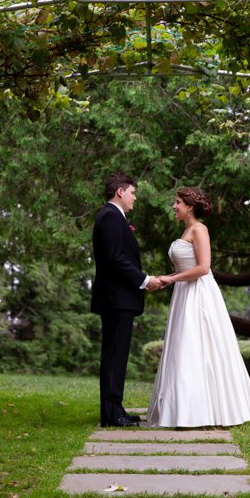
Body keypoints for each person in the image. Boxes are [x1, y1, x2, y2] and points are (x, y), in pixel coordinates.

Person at [147, 187, 250, 428]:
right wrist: (166, 280)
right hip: (184, 293)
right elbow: (186, 268)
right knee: (183, 347)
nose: (174, 206)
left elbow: (203, 268)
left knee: (196, 346)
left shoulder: (200, 229)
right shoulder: (186, 230)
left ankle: (204, 412)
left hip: (198, 294)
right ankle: (182, 410)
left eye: (178, 202)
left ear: (190, 207)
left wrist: (172, 279)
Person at [91, 172, 163, 428]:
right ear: (120, 192)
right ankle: (112, 414)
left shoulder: (112, 217)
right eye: (132, 193)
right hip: (116, 299)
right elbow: (115, 259)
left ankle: (115, 408)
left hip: (118, 298)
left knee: (117, 355)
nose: (135, 198)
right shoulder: (110, 217)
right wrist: (144, 280)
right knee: (114, 355)